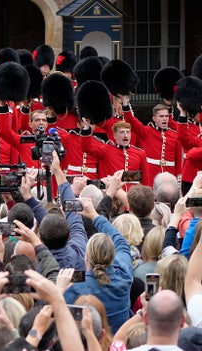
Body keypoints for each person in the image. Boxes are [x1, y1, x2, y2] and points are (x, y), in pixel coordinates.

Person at [63, 197, 133, 332]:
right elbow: (121, 242)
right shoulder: (124, 272)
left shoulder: (76, 284)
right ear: (113, 256)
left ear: (87, 257)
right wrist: (94, 215)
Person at [123, 100, 181, 181]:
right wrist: (125, 104)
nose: (164, 119)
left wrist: (178, 178)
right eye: (161, 116)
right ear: (154, 118)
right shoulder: (147, 132)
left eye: (166, 116)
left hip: (169, 173)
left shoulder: (175, 136)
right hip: (151, 172)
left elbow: (178, 160)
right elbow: (131, 121)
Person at [81, 120, 150, 186]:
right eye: (122, 132)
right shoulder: (106, 150)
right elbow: (86, 148)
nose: (125, 135)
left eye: (128, 132)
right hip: (112, 193)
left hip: (132, 194)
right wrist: (86, 128)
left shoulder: (140, 153)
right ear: (115, 136)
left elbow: (145, 179)